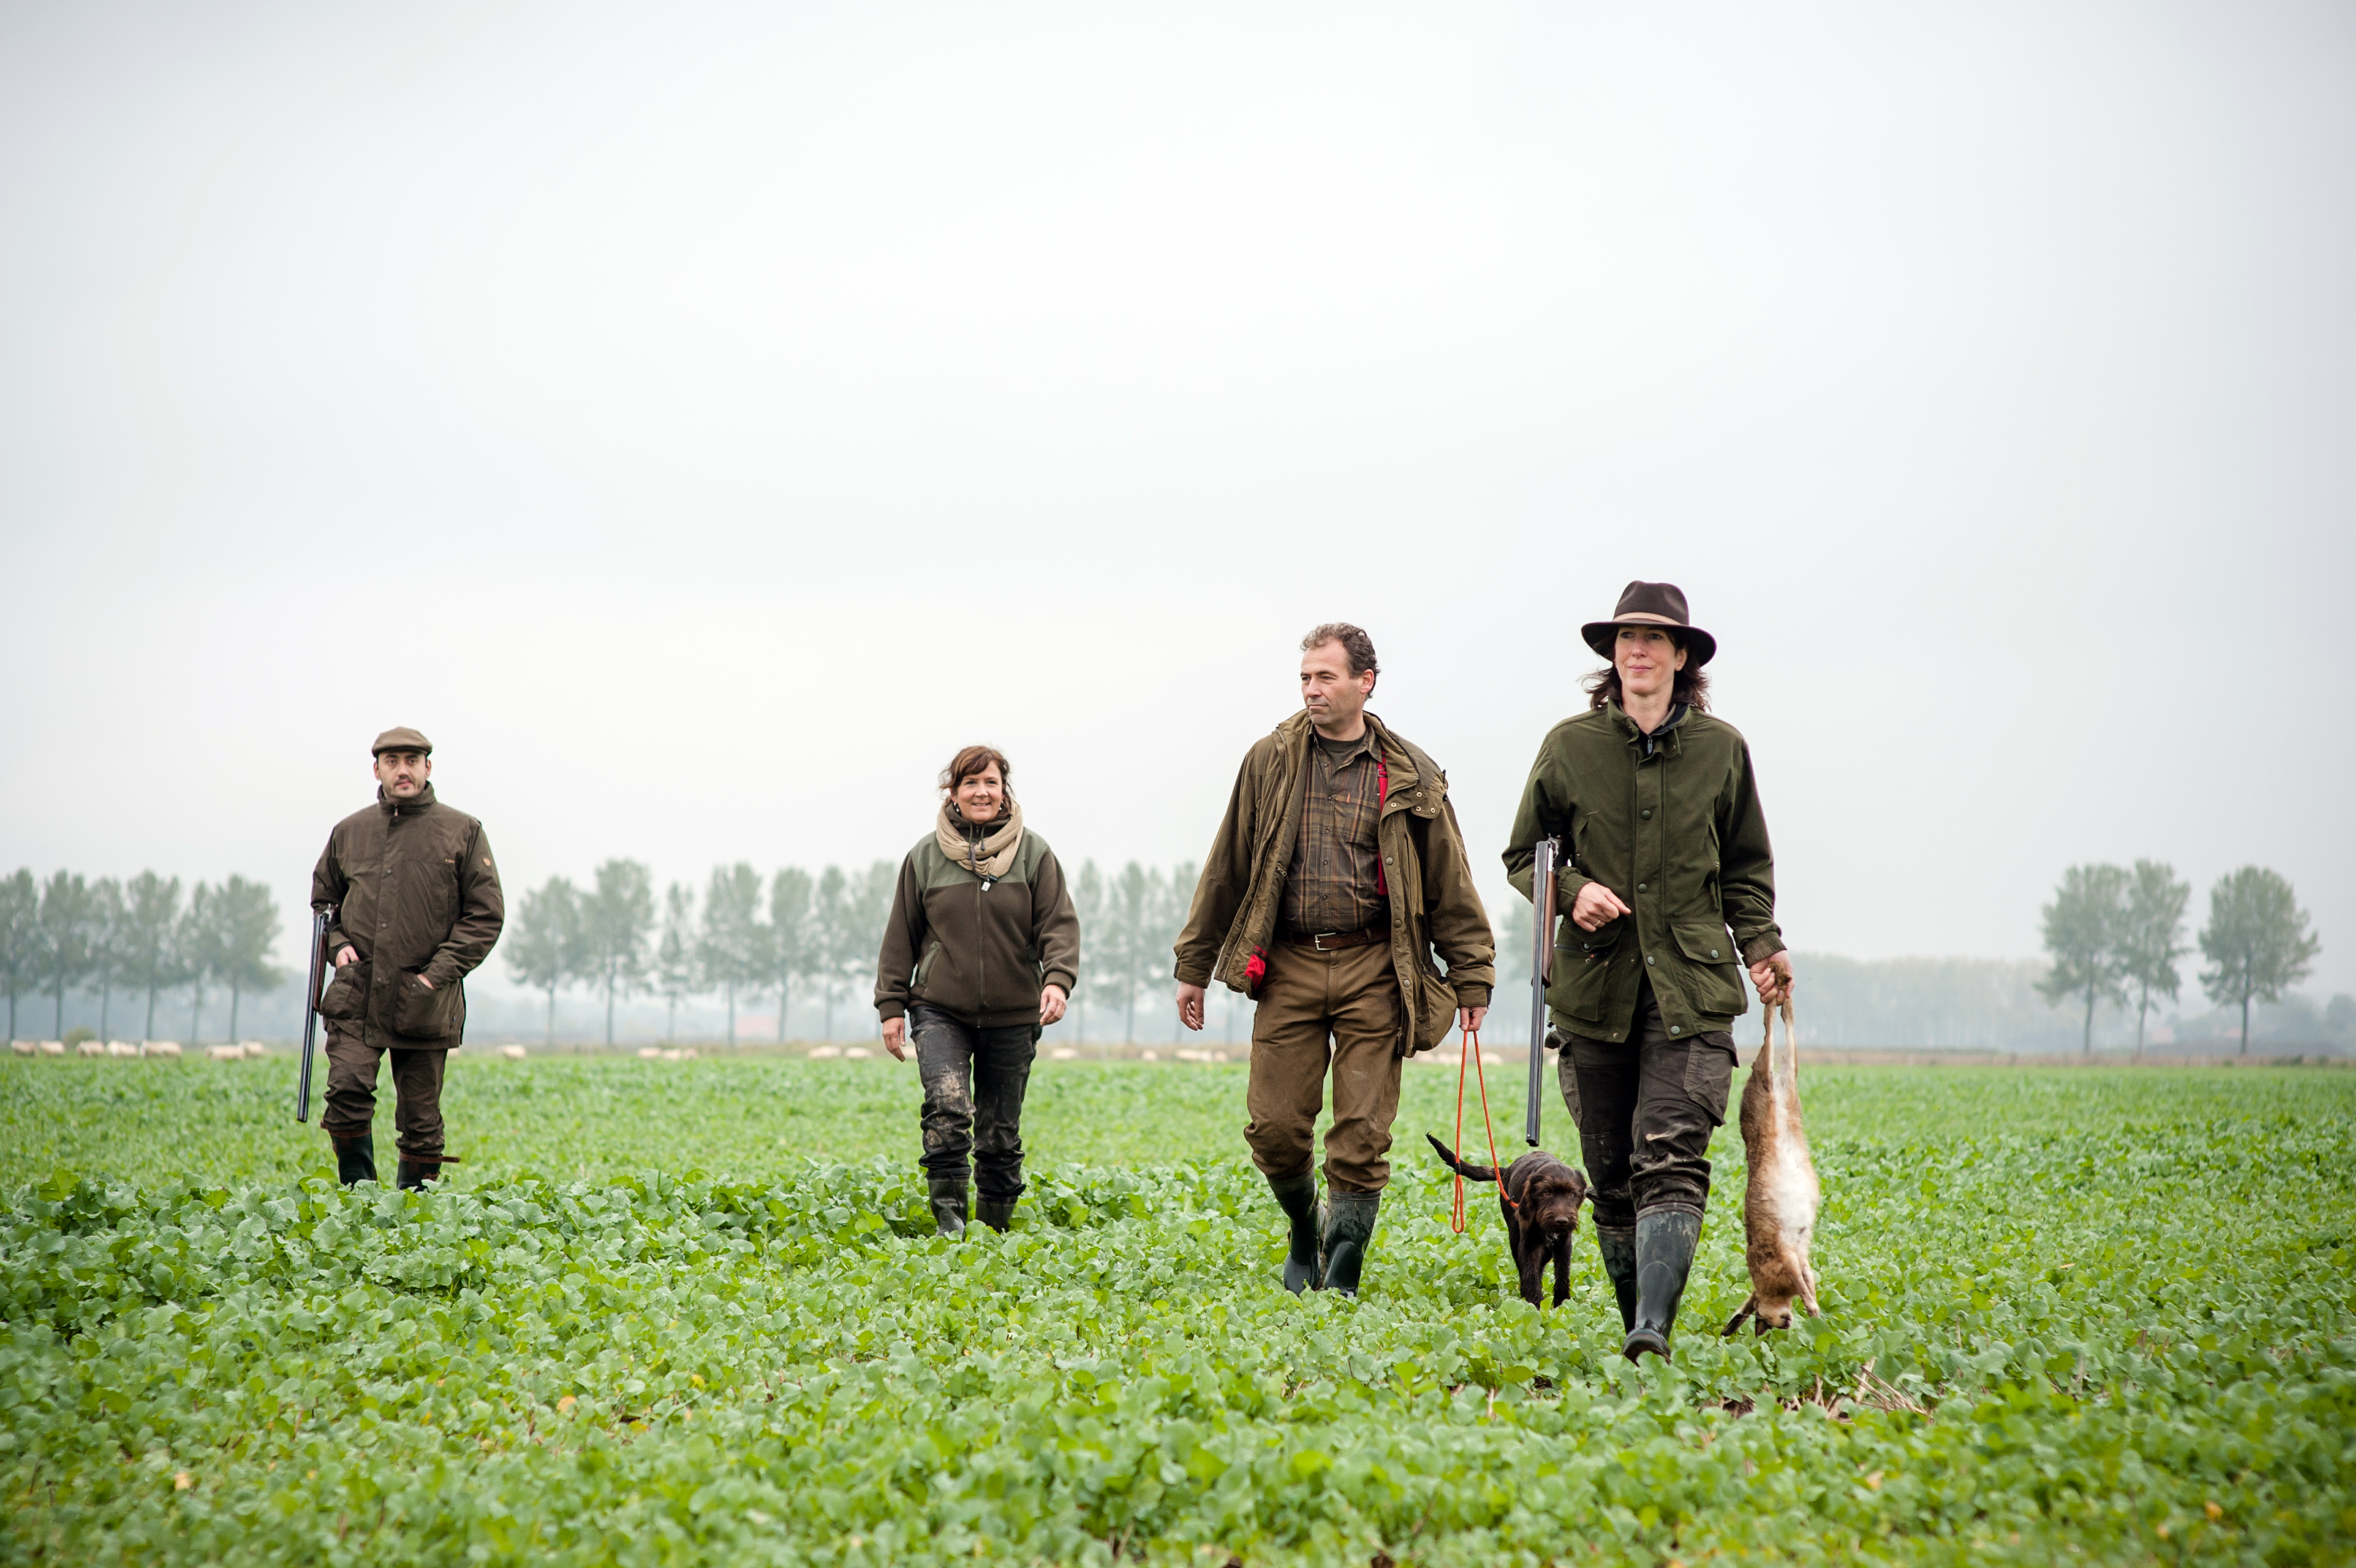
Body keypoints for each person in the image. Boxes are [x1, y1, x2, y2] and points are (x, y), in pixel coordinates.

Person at [1503, 581, 1792, 1360]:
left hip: (1692, 991)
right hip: (1596, 993)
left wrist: (1762, 943)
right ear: (1613, 654)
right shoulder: (1568, 747)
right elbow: (1522, 857)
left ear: (1682, 656)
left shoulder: (1723, 750)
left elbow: (1746, 868)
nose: (1639, 649)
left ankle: (1651, 1327)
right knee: (1612, 1173)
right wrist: (1570, 890)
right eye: (1627, 637)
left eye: (1656, 638)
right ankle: (1639, 1321)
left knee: (1671, 1154)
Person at [1174, 624, 1495, 1297]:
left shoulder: (1411, 772)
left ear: (1364, 682)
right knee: (1275, 1128)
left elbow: (1450, 882)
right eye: (1305, 678)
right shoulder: (1271, 759)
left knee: (1361, 1134)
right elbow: (1227, 862)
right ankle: (1303, 1226)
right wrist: (1193, 965)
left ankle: (1343, 1269)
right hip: (1287, 963)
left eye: (1325, 676)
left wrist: (1472, 974)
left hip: (1376, 967)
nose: (1312, 689)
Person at [875, 745, 1080, 1238]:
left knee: (998, 1134)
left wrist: (1057, 979)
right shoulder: (925, 856)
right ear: (954, 793)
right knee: (946, 1110)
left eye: (990, 782)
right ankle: (950, 1229)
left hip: (1014, 1012)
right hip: (940, 1009)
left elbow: (1058, 925)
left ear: (1003, 790)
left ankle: (994, 1235)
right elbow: (900, 935)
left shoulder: (1033, 853)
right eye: (970, 783)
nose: (981, 792)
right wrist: (891, 1006)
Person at [310, 728, 505, 1189]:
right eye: (392, 760)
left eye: (412, 761)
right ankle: (359, 1200)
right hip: (357, 992)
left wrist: (434, 978)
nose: (403, 769)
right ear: (376, 769)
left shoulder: (463, 832)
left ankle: (414, 1212)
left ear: (427, 768)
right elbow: (323, 904)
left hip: (424, 999)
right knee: (346, 1092)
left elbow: (485, 916)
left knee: (420, 1117)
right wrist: (337, 947)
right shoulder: (349, 832)